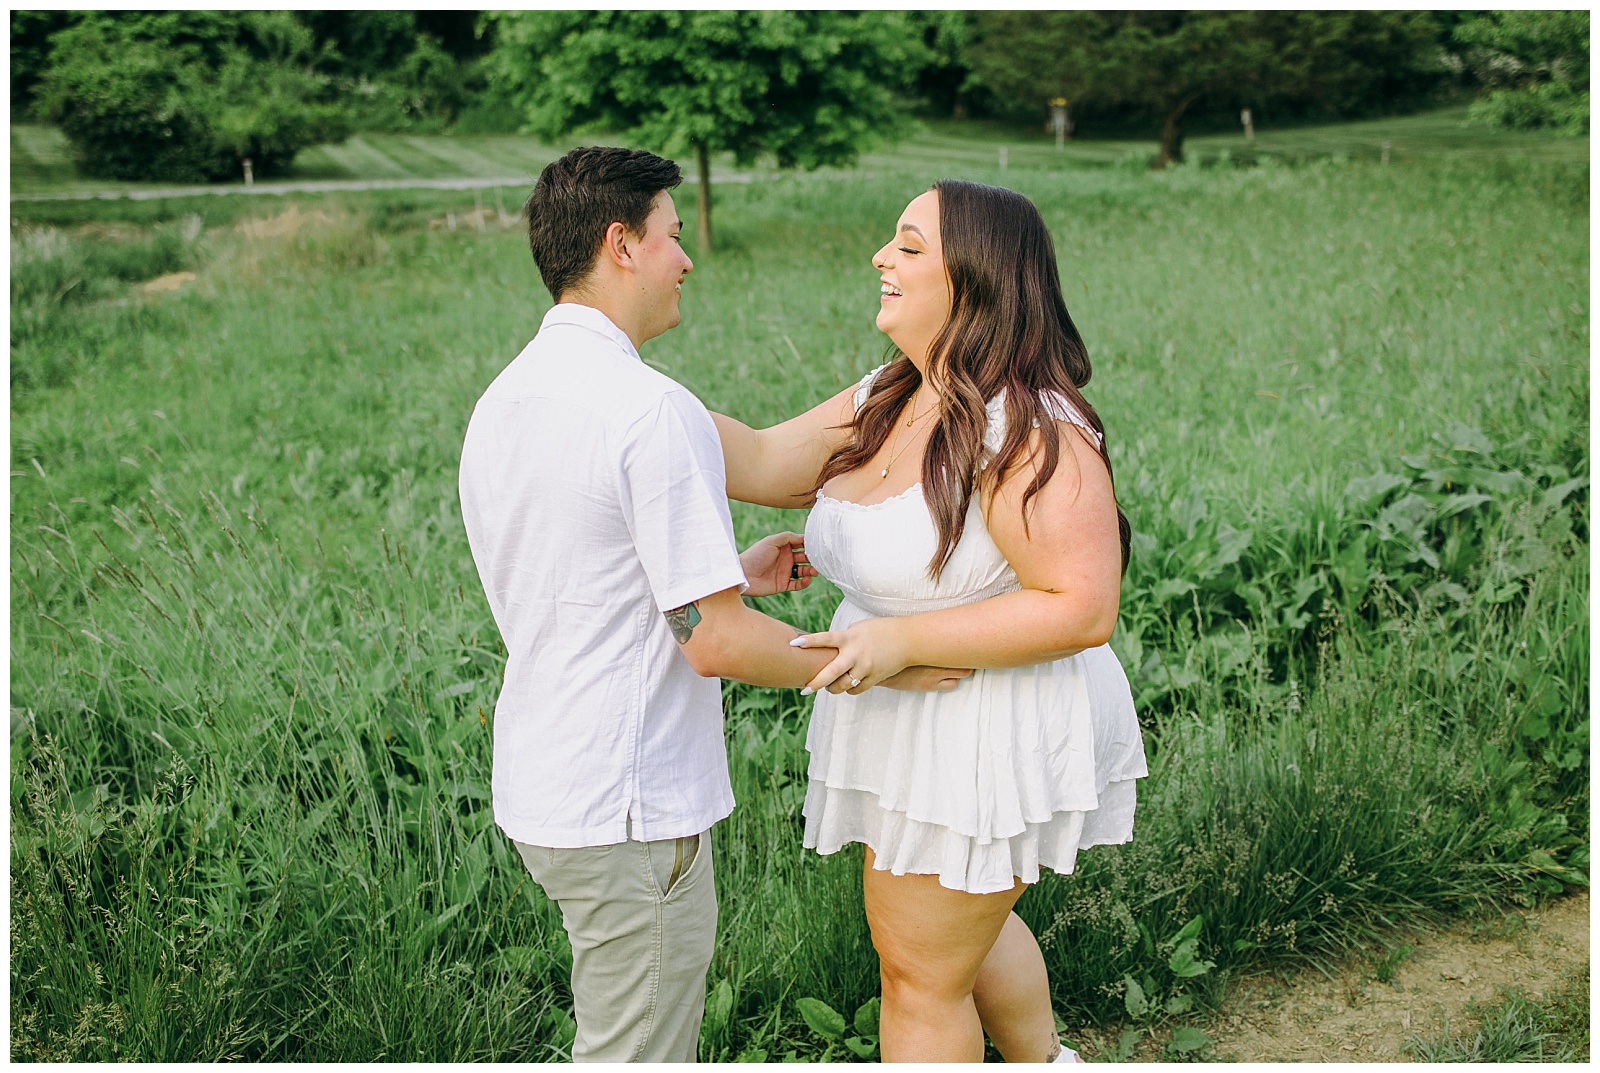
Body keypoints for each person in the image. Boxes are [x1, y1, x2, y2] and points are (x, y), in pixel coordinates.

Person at [457, 147, 969, 1063]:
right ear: (622, 243)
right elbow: (717, 640)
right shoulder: (645, 409)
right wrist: (879, 658)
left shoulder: (507, 399)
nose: (685, 258)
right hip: (629, 805)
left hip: (545, 782)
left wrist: (729, 564)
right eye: (672, 234)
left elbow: (585, 577)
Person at [711, 180, 1147, 1062]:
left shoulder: (1028, 423)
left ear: (975, 280)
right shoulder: (892, 391)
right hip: (910, 715)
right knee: (957, 936)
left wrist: (901, 638)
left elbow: (1083, 604)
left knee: (918, 975)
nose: (881, 257)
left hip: (986, 721)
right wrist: (618, 396)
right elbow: (756, 457)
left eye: (909, 246)